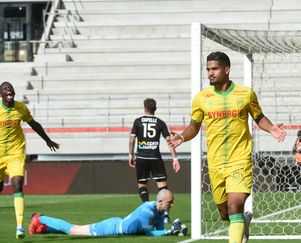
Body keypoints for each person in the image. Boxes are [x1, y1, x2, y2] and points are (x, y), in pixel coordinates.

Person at [167, 52, 286, 243]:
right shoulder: (201, 98)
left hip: (240, 159)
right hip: (216, 164)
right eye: (208, 70)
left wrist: (271, 128)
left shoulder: (246, 94)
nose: (210, 73)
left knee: (235, 206)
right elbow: (193, 127)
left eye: (214, 69)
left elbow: (259, 117)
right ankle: (244, 223)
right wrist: (181, 137)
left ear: (227, 70)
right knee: (225, 214)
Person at [0, 82, 60, 239]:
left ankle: (19, 227)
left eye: (11, 88)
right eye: (5, 88)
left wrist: (48, 140)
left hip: (15, 154)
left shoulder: (21, 108)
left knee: (18, 184)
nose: (9, 90)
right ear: (1, 94)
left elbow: (34, 124)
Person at [28, 189, 187, 237]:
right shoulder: (147, 209)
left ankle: (43, 228)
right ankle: (39, 217)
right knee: (73, 230)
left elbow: (158, 230)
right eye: (170, 202)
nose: (172, 204)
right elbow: (149, 234)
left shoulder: (158, 212)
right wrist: (169, 231)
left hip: (116, 224)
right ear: (160, 202)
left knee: (76, 230)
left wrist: (172, 231)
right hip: (111, 228)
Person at [129, 98, 180, 223]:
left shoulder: (137, 121)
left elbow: (132, 140)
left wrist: (131, 155)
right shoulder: (160, 123)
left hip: (141, 158)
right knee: (162, 186)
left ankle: (149, 211)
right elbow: (169, 142)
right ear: (155, 109)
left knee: (142, 185)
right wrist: (175, 158)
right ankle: (166, 214)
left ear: (144, 108)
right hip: (155, 157)